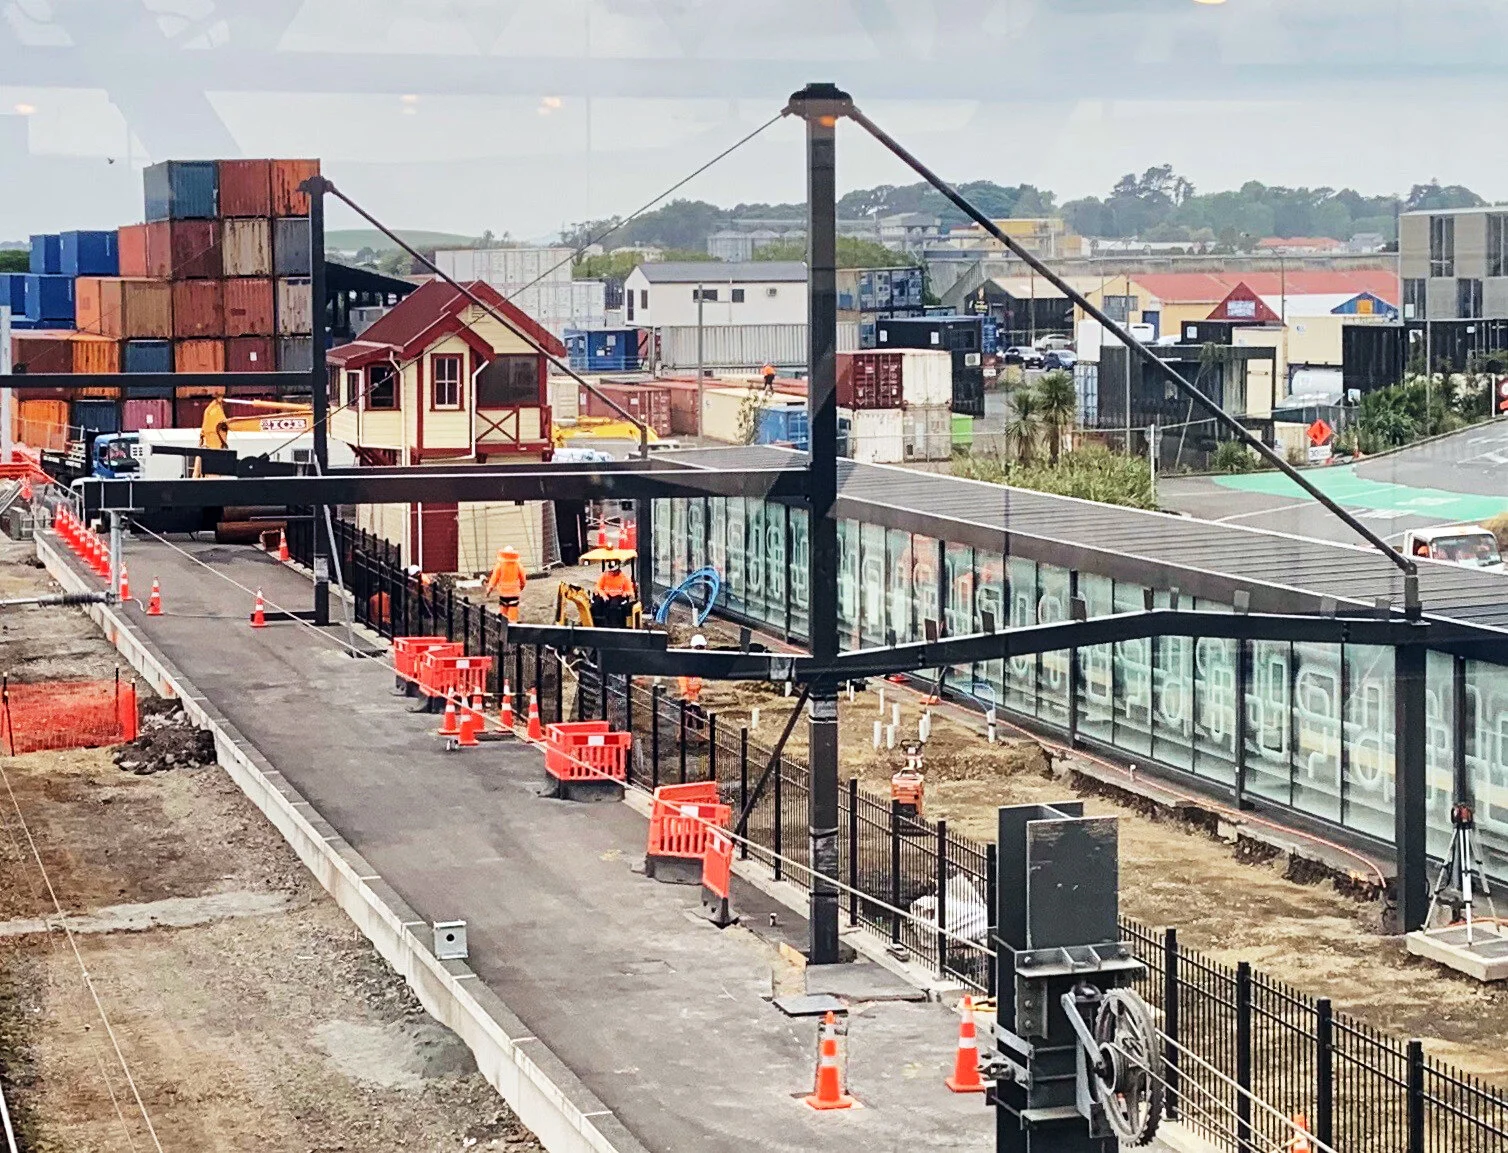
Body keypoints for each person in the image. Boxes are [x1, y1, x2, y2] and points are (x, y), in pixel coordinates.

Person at [485, 546, 526, 622]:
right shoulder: (518, 565)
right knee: (513, 615)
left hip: (503, 593)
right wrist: (521, 587)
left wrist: (489, 590)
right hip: (514, 593)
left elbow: (494, 579)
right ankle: (513, 628)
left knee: (503, 615)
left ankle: (502, 629)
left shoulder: (499, 565)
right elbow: (523, 579)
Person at [593, 558, 635, 627]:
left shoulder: (624, 577)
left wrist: (626, 593)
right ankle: (597, 623)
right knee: (597, 604)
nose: (611, 572)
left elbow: (630, 590)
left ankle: (614, 625)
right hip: (605, 595)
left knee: (613, 606)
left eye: (613, 571)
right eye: (610, 571)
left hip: (618, 596)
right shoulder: (604, 576)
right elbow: (598, 587)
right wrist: (603, 595)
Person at [677, 633, 706, 704]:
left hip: (695, 695)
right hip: (688, 695)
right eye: (699, 647)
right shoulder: (687, 662)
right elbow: (682, 678)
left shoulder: (702, 661)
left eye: (701, 647)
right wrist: (685, 693)